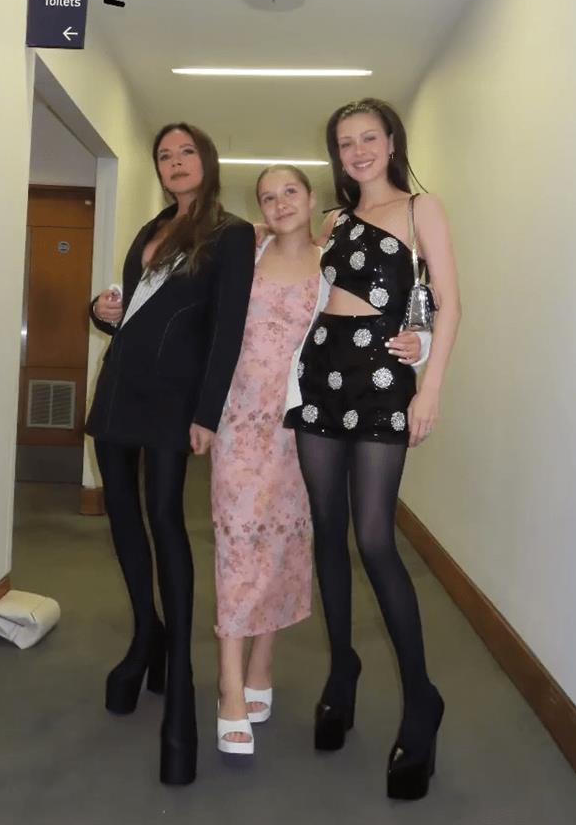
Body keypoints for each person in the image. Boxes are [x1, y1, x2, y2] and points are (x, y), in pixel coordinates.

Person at [210, 164, 424, 756]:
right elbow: (205, 321)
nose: (279, 203)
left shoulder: (335, 260)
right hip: (239, 423)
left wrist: (421, 345)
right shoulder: (245, 255)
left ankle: (262, 662)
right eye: (267, 196)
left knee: (283, 544)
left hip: (305, 424)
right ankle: (229, 683)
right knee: (236, 543)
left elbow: (394, 306)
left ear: (313, 201)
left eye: (290, 192)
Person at [284, 98, 461, 801]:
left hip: (384, 377)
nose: (357, 150)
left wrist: (429, 382)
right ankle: (342, 669)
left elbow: (447, 301)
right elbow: (299, 287)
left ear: (391, 142)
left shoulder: (422, 209)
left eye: (368, 138)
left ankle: (421, 700)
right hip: (321, 373)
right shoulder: (332, 221)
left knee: (375, 538)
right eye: (344, 141)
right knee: (327, 530)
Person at [86, 123, 255, 786]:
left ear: (206, 161)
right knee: (121, 515)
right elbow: (132, 312)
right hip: (119, 390)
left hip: (172, 399)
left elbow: (227, 330)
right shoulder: (151, 229)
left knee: (164, 518)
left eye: (186, 152)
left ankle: (179, 673)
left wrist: (207, 413)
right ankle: (145, 635)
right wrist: (100, 311)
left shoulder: (230, 234)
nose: (175, 162)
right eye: (165, 155)